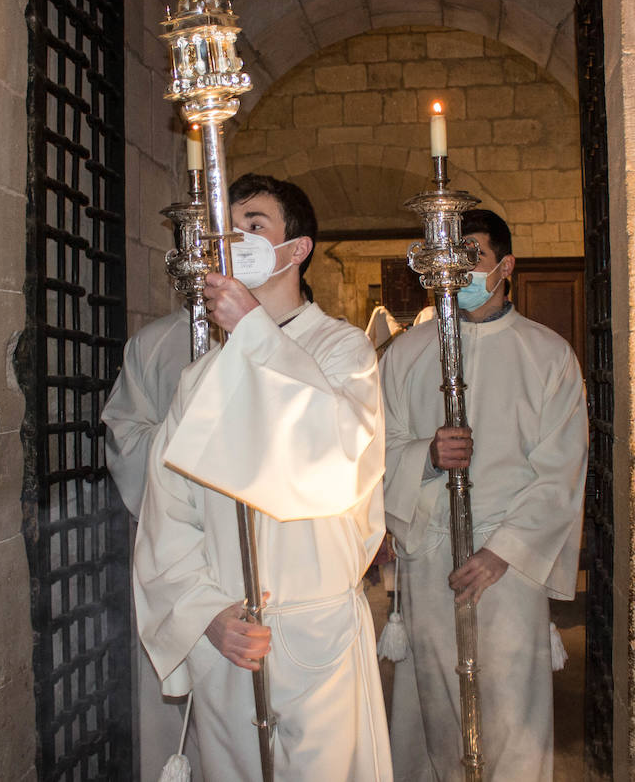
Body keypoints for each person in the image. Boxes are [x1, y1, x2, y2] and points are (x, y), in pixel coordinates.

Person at [133, 174, 393, 781]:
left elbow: (331, 460)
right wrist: (206, 613)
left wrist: (253, 331)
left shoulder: (344, 352)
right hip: (231, 641)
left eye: (255, 226)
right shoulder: (200, 380)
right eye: (231, 229)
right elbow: (168, 514)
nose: (236, 240)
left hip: (316, 640)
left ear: (296, 249)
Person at [379, 209, 587, 782]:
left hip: (509, 563)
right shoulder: (405, 355)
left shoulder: (548, 357)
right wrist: (424, 455)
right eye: (450, 257)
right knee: (435, 701)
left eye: (472, 256)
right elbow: (377, 445)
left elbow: (562, 468)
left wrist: (502, 552)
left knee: (511, 710)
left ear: (506, 266)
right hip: (430, 553)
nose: (459, 270)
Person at [101, 304, 206, 779]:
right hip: (171, 551)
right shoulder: (154, 342)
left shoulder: (278, 336)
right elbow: (125, 435)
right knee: (175, 718)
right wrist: (180, 446)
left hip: (252, 561)